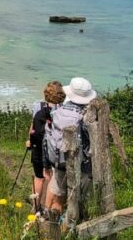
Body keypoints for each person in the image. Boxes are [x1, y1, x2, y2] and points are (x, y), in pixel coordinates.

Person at [43, 77, 97, 218]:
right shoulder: (87, 117)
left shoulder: (56, 113)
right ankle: (75, 230)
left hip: (59, 161)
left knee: (58, 199)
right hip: (82, 166)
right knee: (80, 201)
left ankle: (52, 230)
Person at [25, 81, 65, 213]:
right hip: (54, 149)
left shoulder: (38, 106)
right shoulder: (63, 110)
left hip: (37, 146)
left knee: (38, 177)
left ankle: (35, 207)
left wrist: (29, 140)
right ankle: (49, 208)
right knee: (51, 178)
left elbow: (33, 127)